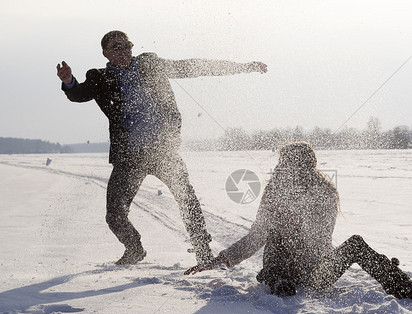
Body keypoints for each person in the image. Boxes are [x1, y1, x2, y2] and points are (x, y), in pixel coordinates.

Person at [57, 30, 267, 266]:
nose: (124, 51)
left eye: (127, 45)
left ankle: (203, 252)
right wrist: (68, 82)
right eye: (117, 47)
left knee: (187, 200)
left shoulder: (150, 64)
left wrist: (243, 67)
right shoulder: (99, 78)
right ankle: (134, 249)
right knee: (114, 215)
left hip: (162, 151)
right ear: (105, 52)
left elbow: (193, 67)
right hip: (129, 157)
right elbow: (78, 93)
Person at [185, 142, 412, 300]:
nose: (285, 168)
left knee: (355, 243)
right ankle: (280, 281)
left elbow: (321, 238)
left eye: (290, 164)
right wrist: (221, 259)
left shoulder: (324, 192)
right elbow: (257, 236)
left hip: (316, 271)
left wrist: (299, 221)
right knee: (278, 235)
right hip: (280, 268)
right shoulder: (273, 193)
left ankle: (402, 286)